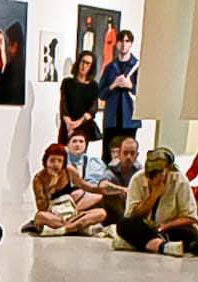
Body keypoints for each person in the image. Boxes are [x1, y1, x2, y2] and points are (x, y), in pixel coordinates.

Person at [113, 147, 198, 257]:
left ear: (168, 169)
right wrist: (153, 195)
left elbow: (190, 217)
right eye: (151, 174)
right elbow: (132, 215)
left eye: (159, 172)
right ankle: (163, 246)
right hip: (145, 227)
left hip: (169, 229)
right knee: (123, 224)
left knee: (191, 236)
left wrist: (164, 226)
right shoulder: (137, 179)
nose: (154, 177)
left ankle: (142, 244)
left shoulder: (180, 180)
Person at [24, 143, 109, 236]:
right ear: (46, 161)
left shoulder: (69, 171)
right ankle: (77, 227)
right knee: (40, 216)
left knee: (101, 213)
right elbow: (41, 208)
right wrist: (50, 188)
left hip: (71, 213)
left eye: (59, 161)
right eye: (52, 161)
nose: (56, 164)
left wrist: (104, 189)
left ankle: (66, 229)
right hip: (54, 216)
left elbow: (85, 186)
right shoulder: (39, 178)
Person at [97, 30, 140, 163]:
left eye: (127, 41)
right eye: (121, 41)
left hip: (130, 119)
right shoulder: (110, 67)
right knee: (108, 155)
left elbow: (144, 94)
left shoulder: (137, 66)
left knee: (128, 155)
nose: (123, 45)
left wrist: (130, 86)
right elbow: (101, 94)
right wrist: (113, 85)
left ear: (131, 44)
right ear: (116, 44)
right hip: (112, 119)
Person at [58, 52, 100, 146]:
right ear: (78, 62)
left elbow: (93, 108)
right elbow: (63, 104)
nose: (84, 66)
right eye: (83, 62)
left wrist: (78, 122)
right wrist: (69, 123)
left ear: (91, 67)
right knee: (63, 153)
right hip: (66, 125)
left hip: (83, 126)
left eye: (88, 63)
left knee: (79, 155)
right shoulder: (67, 83)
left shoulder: (93, 86)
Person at [99, 135, 139, 223]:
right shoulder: (113, 168)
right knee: (111, 196)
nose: (128, 157)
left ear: (137, 155)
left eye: (132, 153)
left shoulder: (140, 170)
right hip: (115, 212)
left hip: (133, 206)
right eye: (125, 153)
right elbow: (103, 186)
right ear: (119, 154)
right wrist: (123, 190)